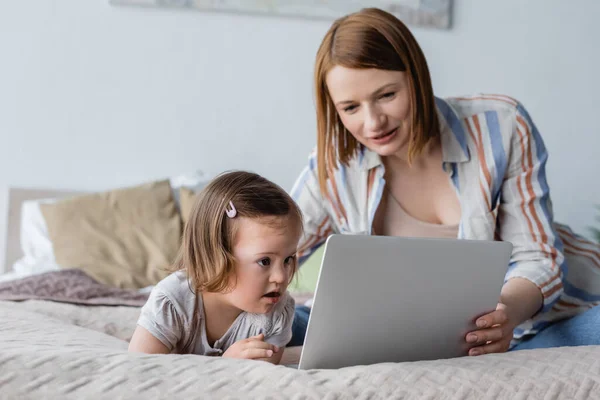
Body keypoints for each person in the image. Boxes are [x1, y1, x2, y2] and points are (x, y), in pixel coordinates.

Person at [288, 7, 600, 354]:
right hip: (423, 335)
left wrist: (506, 314)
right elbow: (268, 252)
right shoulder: (334, 166)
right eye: (350, 108)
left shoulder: (501, 127)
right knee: (274, 326)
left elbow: (538, 257)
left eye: (387, 95)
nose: (373, 122)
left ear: (417, 78)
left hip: (541, 320)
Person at [129, 171, 302, 364]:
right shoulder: (172, 302)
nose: (281, 277)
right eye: (264, 261)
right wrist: (221, 365)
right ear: (214, 256)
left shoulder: (278, 312)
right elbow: (139, 372)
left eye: (288, 259)